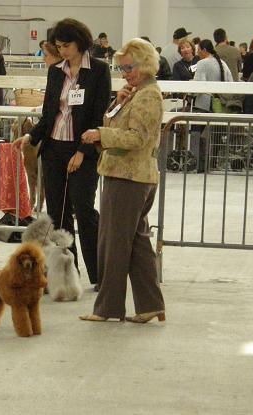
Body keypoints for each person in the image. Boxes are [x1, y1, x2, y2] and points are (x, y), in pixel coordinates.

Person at [12, 18, 111, 287]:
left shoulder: (99, 71)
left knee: (84, 210)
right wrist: (31, 136)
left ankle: (100, 275)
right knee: (58, 214)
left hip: (83, 149)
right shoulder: (56, 71)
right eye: (58, 46)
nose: (62, 50)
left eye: (66, 45)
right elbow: (49, 114)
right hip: (54, 149)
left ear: (80, 43)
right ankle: (67, 274)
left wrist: (82, 151)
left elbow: (97, 116)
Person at [79, 37, 165, 323]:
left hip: (130, 176)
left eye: (128, 67)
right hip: (129, 175)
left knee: (113, 244)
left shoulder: (149, 95)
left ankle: (108, 308)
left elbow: (137, 138)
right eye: (122, 68)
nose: (124, 73)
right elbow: (115, 123)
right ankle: (150, 304)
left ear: (143, 65)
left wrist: (100, 135)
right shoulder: (137, 92)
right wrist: (117, 103)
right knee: (137, 244)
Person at [193, 39, 233, 112]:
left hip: (205, 105)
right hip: (222, 105)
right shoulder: (223, 63)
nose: (197, 52)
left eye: (198, 50)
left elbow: (199, 86)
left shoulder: (201, 63)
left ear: (204, 50)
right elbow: (230, 82)